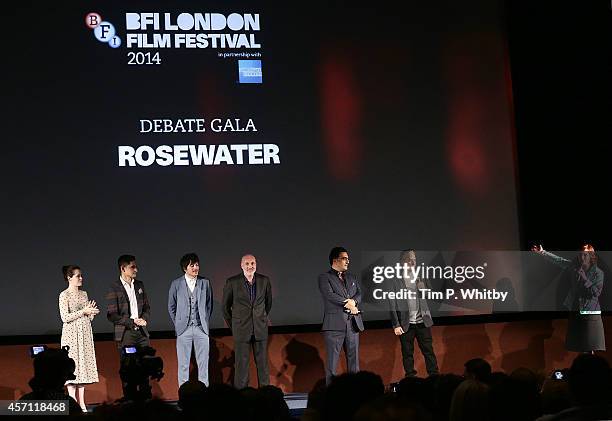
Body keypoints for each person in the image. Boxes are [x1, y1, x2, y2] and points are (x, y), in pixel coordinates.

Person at [532, 244, 605, 352]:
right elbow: (559, 261)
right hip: (576, 310)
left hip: (590, 313)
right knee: (579, 345)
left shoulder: (598, 273)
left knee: (590, 346)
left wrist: (585, 279)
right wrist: (543, 252)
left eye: (585, 255)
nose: (582, 257)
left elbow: (596, 293)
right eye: (580, 254)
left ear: (591, 256)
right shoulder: (575, 267)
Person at [222, 254, 272, 388]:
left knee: (263, 365)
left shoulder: (264, 280)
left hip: (260, 329)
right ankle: (242, 397)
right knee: (241, 366)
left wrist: (260, 318)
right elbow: (225, 308)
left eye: (252, 263)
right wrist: (234, 326)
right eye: (247, 263)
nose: (250, 266)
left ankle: (266, 394)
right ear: (241, 265)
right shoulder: (232, 282)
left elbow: (268, 304)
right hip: (241, 329)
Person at [389, 250, 439, 378]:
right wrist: (396, 324)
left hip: (423, 321)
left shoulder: (421, 276)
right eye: (409, 259)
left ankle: (434, 377)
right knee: (407, 354)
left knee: (429, 352)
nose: (412, 262)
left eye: (414, 259)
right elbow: (392, 304)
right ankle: (410, 379)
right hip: (406, 324)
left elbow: (432, 296)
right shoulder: (396, 280)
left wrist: (424, 288)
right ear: (402, 262)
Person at [318, 246, 364, 384]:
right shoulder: (324, 277)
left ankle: (355, 393)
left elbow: (359, 294)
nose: (348, 261)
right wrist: (347, 302)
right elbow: (329, 295)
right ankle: (332, 396)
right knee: (332, 364)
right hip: (334, 326)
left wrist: (354, 301)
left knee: (354, 363)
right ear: (335, 260)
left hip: (353, 324)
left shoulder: (352, 277)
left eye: (348, 259)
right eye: (344, 258)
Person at [106, 254, 151, 396]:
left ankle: (145, 398)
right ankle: (130, 399)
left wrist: (143, 319)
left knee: (145, 365)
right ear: (123, 268)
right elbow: (112, 315)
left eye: (135, 266)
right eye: (132, 267)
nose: (136, 269)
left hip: (142, 333)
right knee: (128, 368)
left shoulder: (139, 285)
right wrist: (131, 322)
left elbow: (147, 307)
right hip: (126, 334)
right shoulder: (114, 287)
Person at [58, 265, 99, 412]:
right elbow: (65, 317)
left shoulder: (84, 294)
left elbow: (87, 317)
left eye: (81, 275)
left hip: (84, 333)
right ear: (69, 278)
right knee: (72, 366)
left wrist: (91, 313)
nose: (81, 278)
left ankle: (82, 403)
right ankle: (72, 402)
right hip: (71, 335)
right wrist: (83, 311)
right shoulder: (64, 295)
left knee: (82, 367)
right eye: (77, 276)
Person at [168, 253, 213, 386]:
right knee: (183, 365)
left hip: (201, 329)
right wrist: (178, 323)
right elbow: (171, 306)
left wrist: (203, 321)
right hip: (183, 330)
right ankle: (184, 395)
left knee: (203, 365)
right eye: (192, 265)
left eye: (197, 265)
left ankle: (204, 395)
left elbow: (209, 305)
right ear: (184, 268)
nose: (195, 268)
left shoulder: (205, 283)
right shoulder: (176, 284)